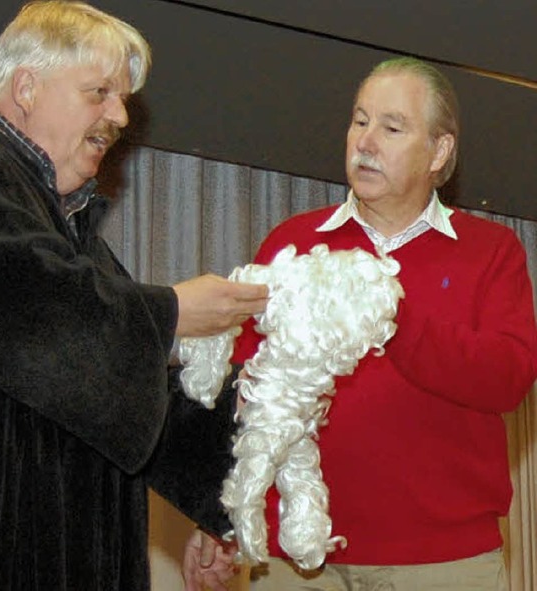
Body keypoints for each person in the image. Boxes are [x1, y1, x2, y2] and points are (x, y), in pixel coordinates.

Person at [0, 1, 268, 589]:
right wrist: (172, 313)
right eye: (99, 92)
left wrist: (233, 459)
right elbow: (34, 317)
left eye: (121, 99)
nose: (120, 116)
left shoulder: (78, 245)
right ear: (26, 87)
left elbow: (125, 393)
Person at [184, 56, 537, 590]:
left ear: (439, 151)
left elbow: (507, 378)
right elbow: (242, 389)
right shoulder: (293, 242)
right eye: (359, 120)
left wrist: (389, 314)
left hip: (443, 563)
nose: (366, 141)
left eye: (392, 127)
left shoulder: (492, 252)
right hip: (293, 561)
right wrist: (215, 514)